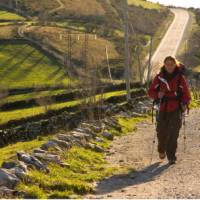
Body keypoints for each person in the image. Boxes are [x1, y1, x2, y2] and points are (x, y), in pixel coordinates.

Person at [148, 56, 191, 165]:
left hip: (176, 108)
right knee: (161, 132)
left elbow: (186, 94)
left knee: (174, 133)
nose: (169, 66)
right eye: (167, 64)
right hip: (162, 107)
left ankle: (171, 156)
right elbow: (150, 92)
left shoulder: (180, 78)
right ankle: (161, 150)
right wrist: (157, 94)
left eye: (171, 64)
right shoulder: (159, 77)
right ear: (164, 65)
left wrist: (185, 103)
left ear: (175, 64)